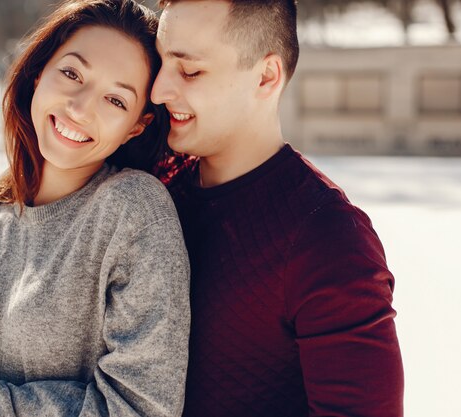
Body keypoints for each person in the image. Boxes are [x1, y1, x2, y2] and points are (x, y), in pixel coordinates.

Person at [0, 1, 190, 416]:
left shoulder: (133, 212)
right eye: (71, 73)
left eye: (115, 100)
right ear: (39, 72)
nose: (80, 107)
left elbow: (139, 408)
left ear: (137, 126)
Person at [151, 1, 404, 416]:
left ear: (266, 77)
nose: (159, 90)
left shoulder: (327, 236)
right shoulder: (150, 191)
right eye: (160, 62)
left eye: (190, 70)